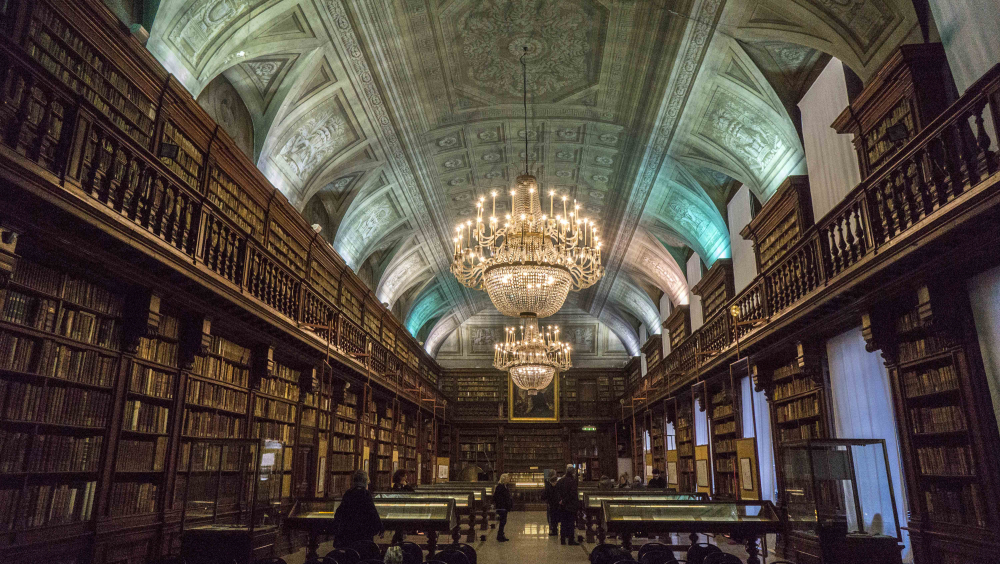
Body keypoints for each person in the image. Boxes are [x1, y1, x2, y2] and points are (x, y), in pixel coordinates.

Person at [332, 470, 384, 548]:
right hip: (363, 533)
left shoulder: (348, 493)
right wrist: (380, 526)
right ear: (365, 482)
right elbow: (372, 512)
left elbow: (340, 512)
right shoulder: (366, 494)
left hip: (348, 533)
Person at [555, 464, 579, 545]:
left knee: (563, 523)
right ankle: (571, 541)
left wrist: (560, 501)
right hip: (571, 506)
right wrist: (565, 501)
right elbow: (572, 494)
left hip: (562, 506)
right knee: (571, 523)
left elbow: (557, 492)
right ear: (572, 472)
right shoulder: (573, 481)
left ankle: (562, 540)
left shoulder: (561, 481)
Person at [493, 473, 513, 542]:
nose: (509, 479)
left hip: (505, 507)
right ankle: (500, 536)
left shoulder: (505, 486)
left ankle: (501, 534)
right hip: (502, 507)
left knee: (503, 522)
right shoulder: (500, 487)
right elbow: (496, 497)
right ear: (504, 479)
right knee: (502, 522)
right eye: (508, 478)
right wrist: (502, 504)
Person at [543, 470, 559, 536]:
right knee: (553, 516)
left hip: (551, 503)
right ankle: (554, 528)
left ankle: (553, 528)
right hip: (555, 503)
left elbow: (544, 495)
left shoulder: (548, 485)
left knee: (551, 516)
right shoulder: (556, 484)